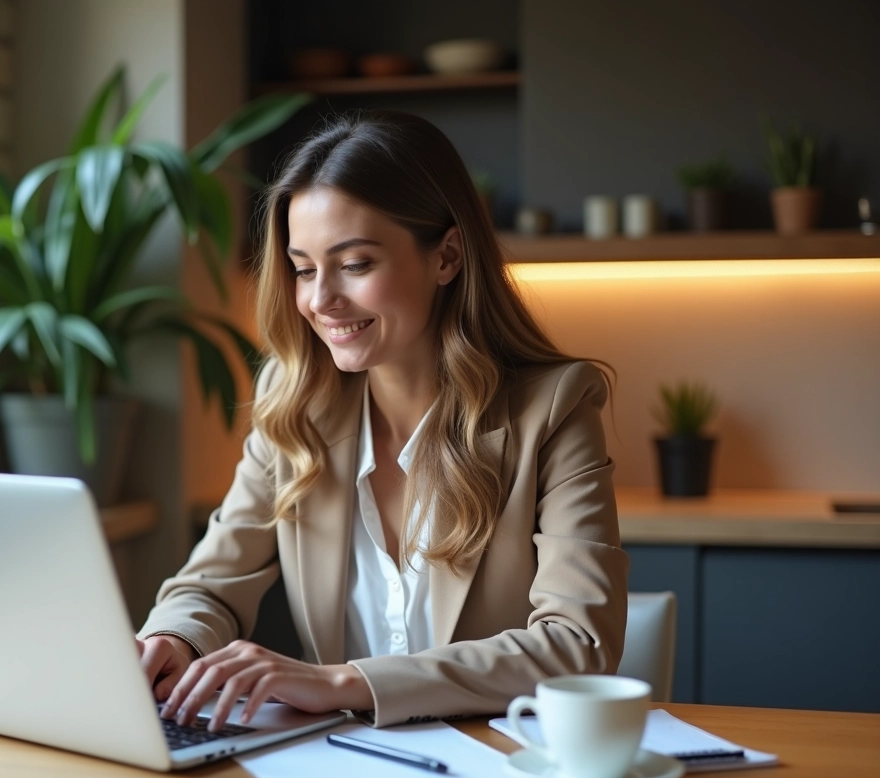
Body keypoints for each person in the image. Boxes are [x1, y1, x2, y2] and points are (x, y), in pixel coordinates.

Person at [136, 110, 628, 732]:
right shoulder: (295, 407)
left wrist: (344, 682)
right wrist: (170, 642)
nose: (320, 300)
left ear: (446, 256)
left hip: (498, 776)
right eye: (304, 268)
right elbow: (209, 585)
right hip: (343, 777)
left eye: (356, 263)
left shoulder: (553, 408)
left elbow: (577, 645)